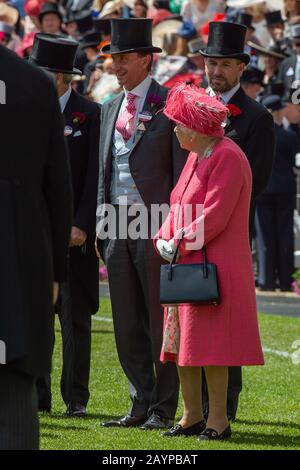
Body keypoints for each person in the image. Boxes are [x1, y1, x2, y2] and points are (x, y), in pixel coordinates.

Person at [154, 83, 264, 441]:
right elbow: (177, 204)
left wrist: (178, 243)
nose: (174, 129)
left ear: (197, 128)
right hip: (189, 265)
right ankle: (191, 416)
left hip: (213, 268)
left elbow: (215, 215)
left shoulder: (228, 156)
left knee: (213, 348)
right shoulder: (197, 155)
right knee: (184, 345)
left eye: (179, 123)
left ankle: (219, 420)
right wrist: (164, 238)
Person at [96, 18, 188, 430]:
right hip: (116, 222)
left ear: (147, 61)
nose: (116, 66)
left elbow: (181, 173)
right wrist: (101, 224)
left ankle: (164, 406)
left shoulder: (170, 103)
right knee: (127, 320)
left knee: (158, 319)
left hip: (157, 223)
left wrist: (177, 228)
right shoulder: (109, 107)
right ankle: (139, 402)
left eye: (125, 58)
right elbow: (101, 173)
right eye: (114, 59)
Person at [199, 20, 275, 421]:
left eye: (225, 64)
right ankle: (196, 409)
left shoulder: (257, 117)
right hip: (191, 232)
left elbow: (256, 182)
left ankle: (224, 407)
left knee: (224, 319)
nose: (216, 70)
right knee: (194, 317)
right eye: (212, 62)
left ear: (241, 68)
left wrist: (216, 210)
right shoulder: (191, 105)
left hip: (229, 233)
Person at [0, 42, 72, 449]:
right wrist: (55, 272)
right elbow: (57, 189)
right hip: (18, 264)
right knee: (14, 401)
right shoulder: (35, 83)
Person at [30, 33, 100, 417]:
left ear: (62, 78)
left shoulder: (89, 114)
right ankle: (38, 397)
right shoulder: (24, 111)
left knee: (75, 323)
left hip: (73, 238)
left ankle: (75, 399)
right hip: (35, 236)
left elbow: (94, 177)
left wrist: (82, 224)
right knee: (38, 320)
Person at [256, 94, 299, 292]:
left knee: (265, 236)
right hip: (285, 189)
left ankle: (266, 279)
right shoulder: (289, 136)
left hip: (264, 190)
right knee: (284, 235)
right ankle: (285, 279)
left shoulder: (259, 136)